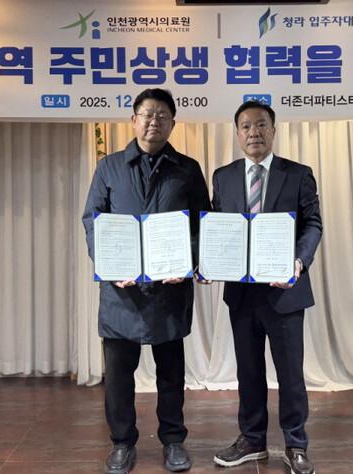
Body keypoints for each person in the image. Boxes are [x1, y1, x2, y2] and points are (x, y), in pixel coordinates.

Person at [82, 88, 210, 474]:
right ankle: (122, 443)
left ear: (173, 123)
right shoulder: (109, 167)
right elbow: (93, 220)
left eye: (163, 116)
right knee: (119, 377)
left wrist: (187, 261)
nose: (155, 122)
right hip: (121, 292)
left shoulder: (187, 169)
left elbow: (202, 223)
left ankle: (173, 440)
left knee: (171, 373)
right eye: (148, 114)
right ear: (133, 120)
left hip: (169, 289)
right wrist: (109, 264)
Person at [211, 101, 322, 474]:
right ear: (237, 133)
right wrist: (207, 262)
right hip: (242, 293)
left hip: (285, 289)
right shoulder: (223, 177)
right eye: (245, 126)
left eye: (261, 125)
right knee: (248, 370)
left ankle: (296, 443)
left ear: (273, 130)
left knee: (290, 373)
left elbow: (313, 224)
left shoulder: (298, 174)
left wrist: (299, 261)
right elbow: (217, 228)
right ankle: (252, 440)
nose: (253, 132)